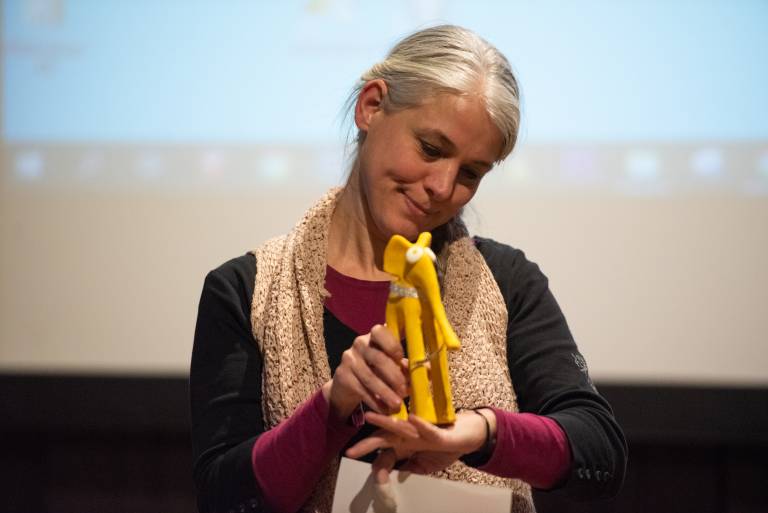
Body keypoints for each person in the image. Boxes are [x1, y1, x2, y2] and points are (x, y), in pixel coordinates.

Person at [190, 24, 627, 513]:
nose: (443, 186)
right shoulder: (248, 290)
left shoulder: (507, 282)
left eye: (470, 173)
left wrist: (480, 432)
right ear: (371, 106)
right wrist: (331, 407)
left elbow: (598, 449)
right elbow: (223, 495)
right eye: (431, 149)